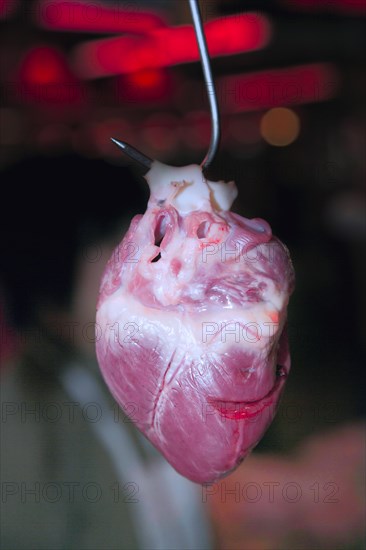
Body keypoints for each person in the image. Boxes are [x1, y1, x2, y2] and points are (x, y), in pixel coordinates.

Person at [0, 154, 213, 549]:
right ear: (52, 262)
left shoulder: (118, 372)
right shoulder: (24, 411)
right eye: (121, 246)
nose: (151, 267)